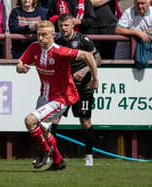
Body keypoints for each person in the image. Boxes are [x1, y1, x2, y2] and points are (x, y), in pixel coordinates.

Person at [16, 20, 99, 171]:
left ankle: (44, 151)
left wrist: (94, 79)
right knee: (44, 131)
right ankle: (58, 161)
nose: (41, 38)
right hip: (44, 96)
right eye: (39, 35)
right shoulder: (34, 47)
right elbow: (20, 64)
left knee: (30, 121)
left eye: (44, 36)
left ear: (53, 36)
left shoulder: (60, 52)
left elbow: (88, 55)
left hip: (62, 97)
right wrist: (20, 67)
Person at [53, 13, 101, 166]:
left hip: (83, 87)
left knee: (85, 121)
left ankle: (88, 156)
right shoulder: (57, 41)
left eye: (66, 25)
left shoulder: (83, 40)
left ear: (73, 25)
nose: (64, 28)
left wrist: (85, 70)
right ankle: (50, 155)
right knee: (54, 119)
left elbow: (97, 59)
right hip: (64, 87)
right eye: (61, 26)